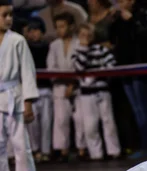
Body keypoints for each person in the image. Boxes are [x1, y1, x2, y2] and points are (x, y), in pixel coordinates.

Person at [0, 0, 38, 171]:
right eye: (4, 15)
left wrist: (28, 101)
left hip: (14, 95)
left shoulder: (17, 40)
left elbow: (27, 72)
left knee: (20, 145)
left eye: (10, 15)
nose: (8, 19)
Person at [109, 0, 147, 158]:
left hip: (140, 67)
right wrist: (112, 20)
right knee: (135, 110)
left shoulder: (142, 15)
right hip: (125, 68)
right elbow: (113, 40)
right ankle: (140, 145)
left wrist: (131, 20)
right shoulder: (117, 19)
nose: (121, 3)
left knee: (144, 109)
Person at [72, 23, 120, 160]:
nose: (86, 38)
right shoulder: (77, 52)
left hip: (102, 91)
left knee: (108, 122)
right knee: (90, 125)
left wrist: (97, 74)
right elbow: (79, 68)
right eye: (83, 35)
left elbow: (111, 65)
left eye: (88, 35)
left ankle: (113, 151)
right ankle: (96, 154)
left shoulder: (101, 50)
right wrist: (83, 49)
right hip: (87, 94)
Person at [47, 12, 85, 161]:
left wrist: (73, 82)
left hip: (78, 86)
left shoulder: (79, 43)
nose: (59, 30)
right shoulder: (54, 45)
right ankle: (62, 150)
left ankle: (82, 149)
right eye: (57, 27)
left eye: (62, 26)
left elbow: (82, 66)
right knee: (61, 119)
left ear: (71, 27)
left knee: (80, 119)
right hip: (59, 87)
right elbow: (51, 68)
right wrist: (65, 80)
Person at [25, 16, 53, 162]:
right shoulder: (24, 48)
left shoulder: (49, 46)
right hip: (32, 91)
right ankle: (35, 150)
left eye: (37, 30)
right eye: (32, 30)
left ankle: (46, 151)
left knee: (46, 122)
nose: (34, 33)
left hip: (46, 89)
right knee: (33, 124)